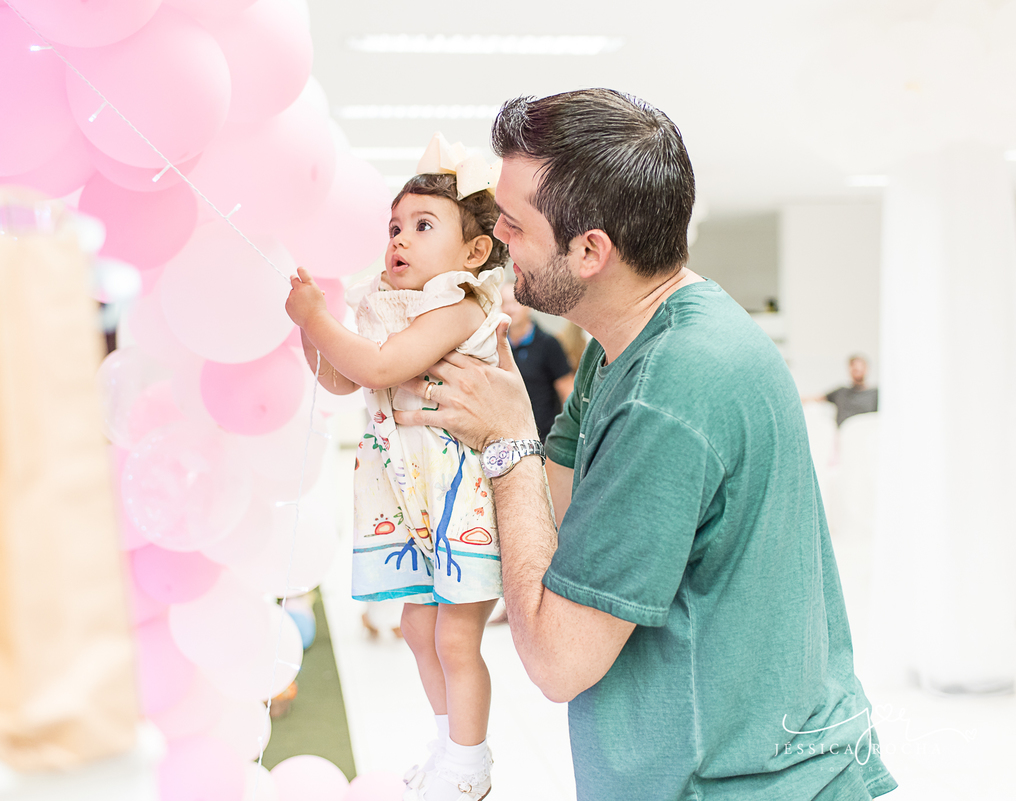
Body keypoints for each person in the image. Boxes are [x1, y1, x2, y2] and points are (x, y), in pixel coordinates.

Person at [393, 90, 897, 800]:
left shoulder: (671, 387)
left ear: (591, 250)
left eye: (514, 223)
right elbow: (557, 509)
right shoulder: (632, 341)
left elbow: (558, 660)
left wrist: (508, 439)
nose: (496, 238)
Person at [285, 141, 508, 801]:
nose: (399, 239)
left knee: (456, 634)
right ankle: (447, 744)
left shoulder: (461, 305)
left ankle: (471, 760)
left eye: (422, 226)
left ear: (472, 254)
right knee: (418, 626)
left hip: (458, 498)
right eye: (394, 227)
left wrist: (321, 321)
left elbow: (380, 367)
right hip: (410, 497)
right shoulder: (385, 305)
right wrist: (309, 328)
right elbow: (341, 376)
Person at [500, 280, 574, 442]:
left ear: (528, 305)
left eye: (514, 303)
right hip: (506, 439)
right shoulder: (494, 347)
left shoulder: (549, 344)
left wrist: (565, 437)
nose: (509, 309)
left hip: (543, 440)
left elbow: (567, 392)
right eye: (504, 304)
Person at [822, 354, 879, 426]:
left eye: (860, 367)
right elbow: (818, 398)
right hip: (843, 434)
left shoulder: (876, 394)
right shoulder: (840, 392)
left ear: (866, 369)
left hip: (867, 433)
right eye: (854, 368)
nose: (857, 370)